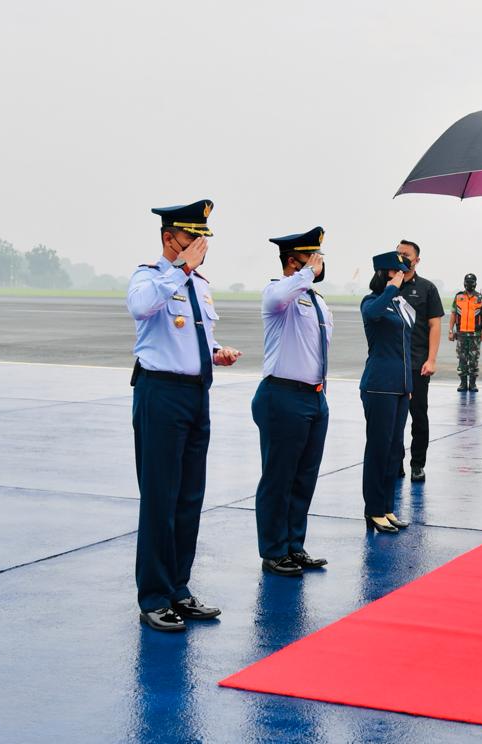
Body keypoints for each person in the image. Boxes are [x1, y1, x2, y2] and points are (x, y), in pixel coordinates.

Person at [128, 199, 242, 632]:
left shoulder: (199, 285)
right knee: (160, 498)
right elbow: (141, 309)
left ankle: (178, 588)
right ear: (168, 238)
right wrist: (180, 270)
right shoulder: (150, 277)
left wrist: (216, 353)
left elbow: (189, 339)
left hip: (197, 394)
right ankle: (154, 596)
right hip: (160, 395)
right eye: (192, 238)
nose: (199, 247)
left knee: (189, 497)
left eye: (202, 240)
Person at [252, 227, 332, 577]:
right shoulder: (277, 292)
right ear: (292, 261)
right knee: (279, 477)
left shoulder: (317, 301)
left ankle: (294, 545)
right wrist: (304, 274)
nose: (318, 265)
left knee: (304, 477)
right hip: (282, 395)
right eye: (311, 258)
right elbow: (279, 297)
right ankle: (273, 550)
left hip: (313, 398)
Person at [360, 251, 414, 533]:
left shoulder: (400, 304)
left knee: (394, 450)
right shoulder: (373, 302)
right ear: (385, 273)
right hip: (379, 385)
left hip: (400, 387)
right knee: (379, 449)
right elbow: (371, 314)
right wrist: (390, 289)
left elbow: (406, 346)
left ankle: (388, 507)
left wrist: (409, 386)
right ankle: (373, 510)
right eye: (398, 272)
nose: (403, 277)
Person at [395, 239, 444, 482]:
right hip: (393, 364)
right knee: (393, 419)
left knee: (418, 417)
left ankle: (417, 463)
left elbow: (435, 325)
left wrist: (431, 359)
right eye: (398, 253)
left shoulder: (427, 288)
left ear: (416, 260)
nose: (401, 256)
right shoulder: (387, 286)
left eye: (406, 254)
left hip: (417, 365)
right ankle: (395, 462)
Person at [449, 273, 482, 392]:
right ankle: (462, 383)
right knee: (462, 359)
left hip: (475, 335)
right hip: (461, 334)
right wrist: (451, 331)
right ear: (464, 283)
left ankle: (473, 384)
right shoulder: (458, 297)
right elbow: (453, 315)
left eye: (471, 282)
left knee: (474, 359)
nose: (469, 284)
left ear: (475, 283)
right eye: (467, 282)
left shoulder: (481, 298)